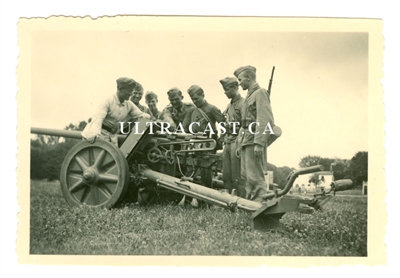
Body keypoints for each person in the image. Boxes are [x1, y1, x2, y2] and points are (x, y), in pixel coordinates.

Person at [234, 65, 275, 202]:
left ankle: (259, 208)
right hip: (246, 141)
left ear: (248, 77)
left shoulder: (261, 93)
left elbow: (265, 119)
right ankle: (251, 207)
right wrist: (240, 144)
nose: (239, 83)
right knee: (247, 177)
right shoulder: (248, 96)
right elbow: (244, 124)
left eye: (240, 80)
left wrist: (259, 142)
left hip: (253, 141)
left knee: (255, 177)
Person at [81, 77, 151, 147]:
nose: (130, 94)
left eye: (131, 91)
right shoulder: (108, 100)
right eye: (129, 91)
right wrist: (94, 133)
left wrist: (149, 117)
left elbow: (140, 114)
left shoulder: (129, 104)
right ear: (119, 89)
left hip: (112, 137)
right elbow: (98, 118)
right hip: (95, 136)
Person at [219, 77, 246, 197]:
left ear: (236, 87)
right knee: (226, 175)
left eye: (227, 89)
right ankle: (229, 201)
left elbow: (245, 126)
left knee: (237, 175)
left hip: (237, 141)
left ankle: (241, 201)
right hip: (228, 141)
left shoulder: (243, 104)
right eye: (224, 90)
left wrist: (240, 143)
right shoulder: (229, 106)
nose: (225, 92)